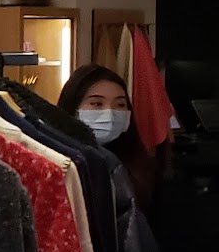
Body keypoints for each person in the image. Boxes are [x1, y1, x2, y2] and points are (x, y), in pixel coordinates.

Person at [58, 64, 158, 213]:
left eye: (120, 104)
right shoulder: (60, 164)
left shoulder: (142, 166)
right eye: (97, 104)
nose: (110, 113)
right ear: (73, 109)